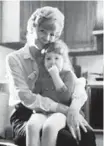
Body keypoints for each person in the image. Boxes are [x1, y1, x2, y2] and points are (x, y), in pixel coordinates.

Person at [6, 6, 96, 146]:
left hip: (59, 109)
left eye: (53, 34)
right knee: (66, 139)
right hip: (26, 113)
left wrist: (73, 108)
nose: (47, 38)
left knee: (87, 134)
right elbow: (26, 97)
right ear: (32, 27)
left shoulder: (55, 55)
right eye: (42, 31)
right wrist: (64, 109)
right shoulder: (14, 59)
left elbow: (76, 84)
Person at [31, 39, 88, 146]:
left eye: (57, 58)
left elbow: (65, 97)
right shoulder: (41, 77)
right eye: (48, 58)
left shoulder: (68, 75)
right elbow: (34, 97)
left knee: (49, 127)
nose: (52, 62)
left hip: (60, 113)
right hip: (43, 111)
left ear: (64, 60)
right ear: (44, 62)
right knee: (31, 126)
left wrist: (55, 76)